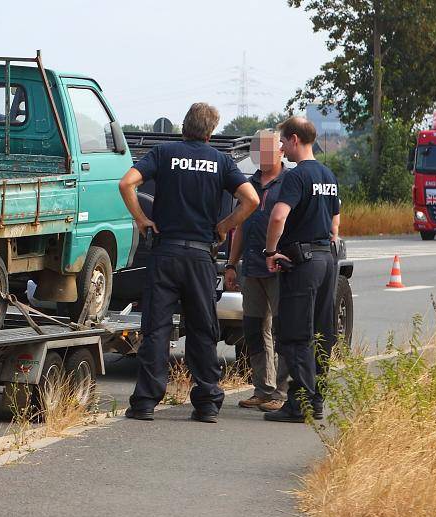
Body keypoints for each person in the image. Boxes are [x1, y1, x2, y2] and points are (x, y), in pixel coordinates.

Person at [119, 103, 259, 423]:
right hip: (200, 257)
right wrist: (224, 226)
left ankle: (145, 403)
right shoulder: (222, 161)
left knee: (156, 329)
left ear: (183, 126)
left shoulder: (163, 153)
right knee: (202, 329)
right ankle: (207, 403)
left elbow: (126, 183)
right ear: (211, 132)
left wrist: (141, 219)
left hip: (165, 253)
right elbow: (251, 199)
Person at [262, 116, 340, 423]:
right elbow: (335, 223)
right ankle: (316, 401)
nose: (281, 148)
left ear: (295, 139)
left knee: (295, 334)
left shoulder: (297, 176)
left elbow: (278, 216)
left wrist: (271, 251)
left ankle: (300, 405)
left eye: (283, 141)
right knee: (321, 333)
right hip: (327, 260)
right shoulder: (328, 174)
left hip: (303, 262)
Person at [224, 130, 290, 412]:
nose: (263, 155)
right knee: (254, 328)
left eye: (269, 149)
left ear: (282, 151)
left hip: (279, 269)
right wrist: (231, 264)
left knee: (283, 331)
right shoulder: (249, 184)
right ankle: (263, 389)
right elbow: (240, 228)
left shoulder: (290, 182)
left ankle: (282, 393)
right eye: (258, 150)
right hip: (251, 268)